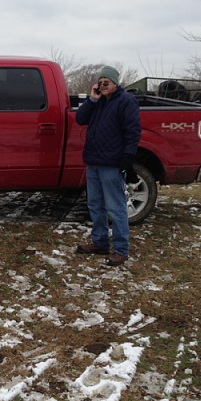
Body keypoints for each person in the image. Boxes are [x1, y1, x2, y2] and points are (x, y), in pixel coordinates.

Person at [75, 65, 141, 266]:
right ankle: (100, 242)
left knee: (116, 207)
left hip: (111, 163)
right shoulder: (98, 102)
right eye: (100, 82)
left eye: (107, 83)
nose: (103, 86)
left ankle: (121, 249)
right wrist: (92, 99)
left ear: (115, 83)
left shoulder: (126, 101)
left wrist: (128, 157)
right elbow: (80, 119)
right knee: (95, 204)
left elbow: (133, 131)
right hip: (93, 161)